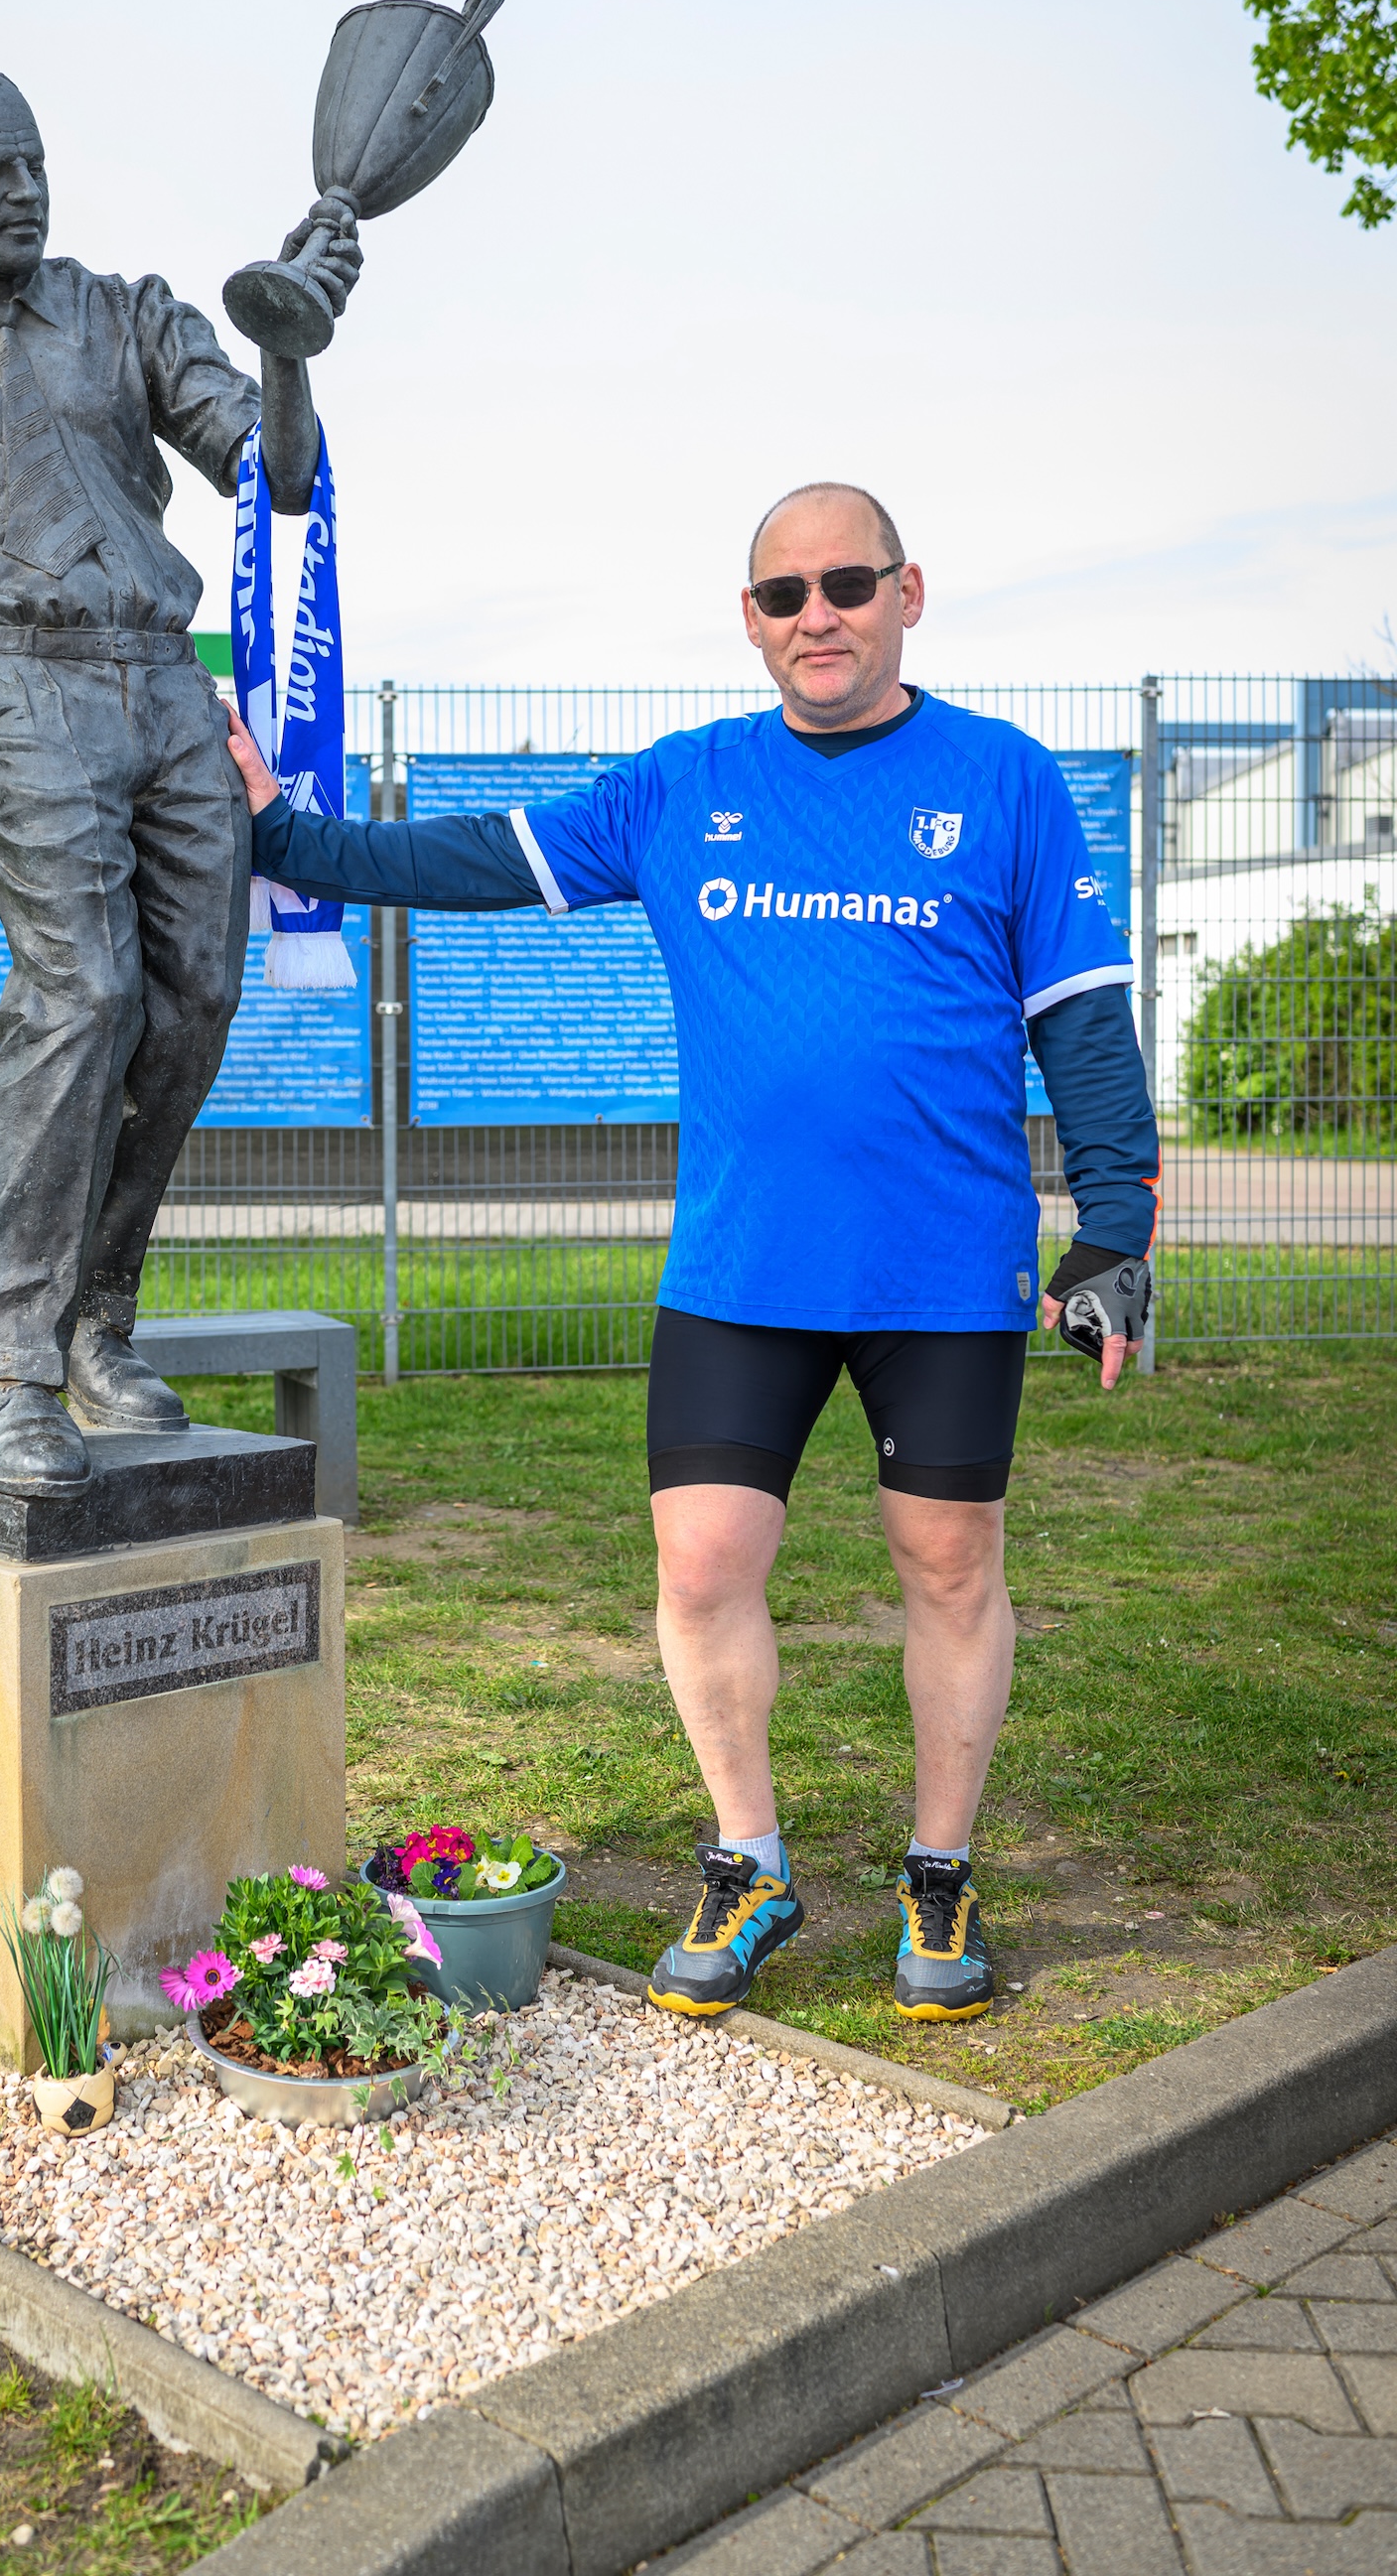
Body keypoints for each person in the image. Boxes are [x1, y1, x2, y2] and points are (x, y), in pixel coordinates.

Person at [222, 481, 1158, 2026]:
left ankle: (941, 1872)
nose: (818, 618)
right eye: (783, 596)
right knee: (703, 1563)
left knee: (947, 1563)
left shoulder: (1004, 781)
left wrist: (1113, 1229)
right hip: (739, 1267)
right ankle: (752, 1860)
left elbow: (1081, 1020)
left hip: (943, 1262)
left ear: (909, 592)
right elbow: (471, 858)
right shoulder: (682, 789)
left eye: (847, 585)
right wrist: (283, 833)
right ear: (750, 620)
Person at [0, 61, 360, 1495]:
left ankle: (98, 1316)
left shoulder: (124, 311)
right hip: (4, 674)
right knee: (82, 990)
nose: (26, 193)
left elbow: (279, 479)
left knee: (195, 996)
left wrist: (284, 346)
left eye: (35, 165)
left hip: (160, 673)